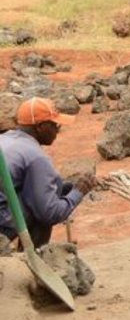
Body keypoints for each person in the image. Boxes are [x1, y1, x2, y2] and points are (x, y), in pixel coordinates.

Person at [0, 98, 96, 248]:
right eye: (54, 125)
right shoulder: (35, 156)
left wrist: (61, 187)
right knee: (41, 210)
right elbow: (50, 213)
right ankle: (34, 260)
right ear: (41, 127)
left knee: (45, 193)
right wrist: (78, 192)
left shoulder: (6, 139)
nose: (57, 130)